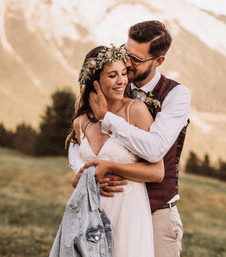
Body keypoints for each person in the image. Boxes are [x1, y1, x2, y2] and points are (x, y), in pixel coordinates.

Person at [69, 20, 191, 257]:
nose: (126, 63)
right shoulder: (117, 82)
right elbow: (77, 138)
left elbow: (155, 149)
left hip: (157, 213)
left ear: (159, 61)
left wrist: (107, 118)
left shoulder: (176, 95)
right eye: (126, 52)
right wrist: (86, 173)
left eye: (136, 60)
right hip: (104, 208)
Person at [66, 45, 165, 257]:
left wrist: (111, 166)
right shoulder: (81, 122)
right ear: (95, 81)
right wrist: (80, 180)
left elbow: (157, 172)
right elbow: (80, 174)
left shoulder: (135, 111)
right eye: (112, 75)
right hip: (90, 215)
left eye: (123, 73)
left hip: (128, 214)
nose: (122, 81)